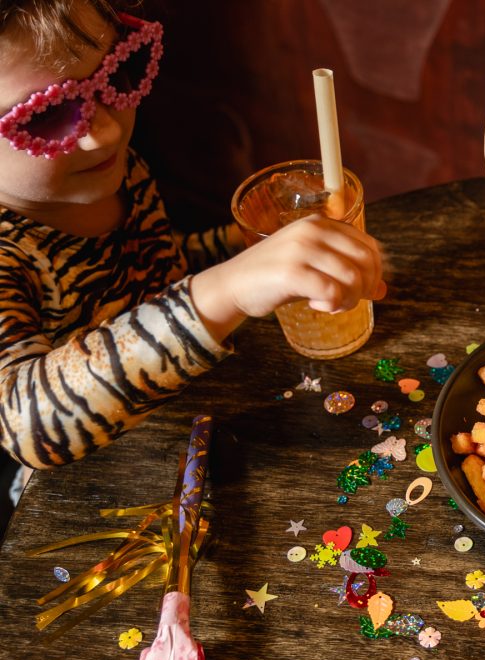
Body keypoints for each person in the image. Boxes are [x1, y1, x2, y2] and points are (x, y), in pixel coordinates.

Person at [0, 0, 386, 475]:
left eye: (117, 73)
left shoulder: (105, 172)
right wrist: (229, 287)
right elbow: (27, 424)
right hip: (97, 491)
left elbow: (160, 270)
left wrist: (263, 252)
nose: (101, 132)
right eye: (46, 115)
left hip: (194, 435)